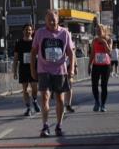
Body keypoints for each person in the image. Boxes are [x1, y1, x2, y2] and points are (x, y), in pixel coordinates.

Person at [30, 9, 75, 137]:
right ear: (45, 20)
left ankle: (59, 126)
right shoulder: (40, 33)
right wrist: (32, 70)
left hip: (60, 70)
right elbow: (33, 52)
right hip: (43, 70)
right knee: (45, 97)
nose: (51, 22)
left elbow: (70, 53)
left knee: (60, 99)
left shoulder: (64, 33)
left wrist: (71, 69)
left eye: (53, 19)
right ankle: (45, 126)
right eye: (49, 19)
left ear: (58, 19)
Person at [13, 25, 40, 116]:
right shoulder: (19, 43)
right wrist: (14, 71)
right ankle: (28, 107)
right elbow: (16, 58)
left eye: (29, 30)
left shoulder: (35, 42)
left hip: (34, 67)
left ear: (32, 31)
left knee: (34, 88)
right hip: (23, 68)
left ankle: (35, 100)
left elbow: (40, 55)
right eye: (26, 30)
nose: (28, 31)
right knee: (25, 89)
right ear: (23, 31)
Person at [89, 25, 113, 112]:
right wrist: (89, 65)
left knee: (104, 85)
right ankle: (96, 102)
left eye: (100, 30)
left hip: (106, 65)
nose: (98, 32)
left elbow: (109, 52)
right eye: (97, 30)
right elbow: (92, 53)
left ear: (104, 31)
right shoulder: (94, 40)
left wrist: (104, 42)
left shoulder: (109, 39)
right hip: (96, 65)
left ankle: (103, 104)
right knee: (94, 84)